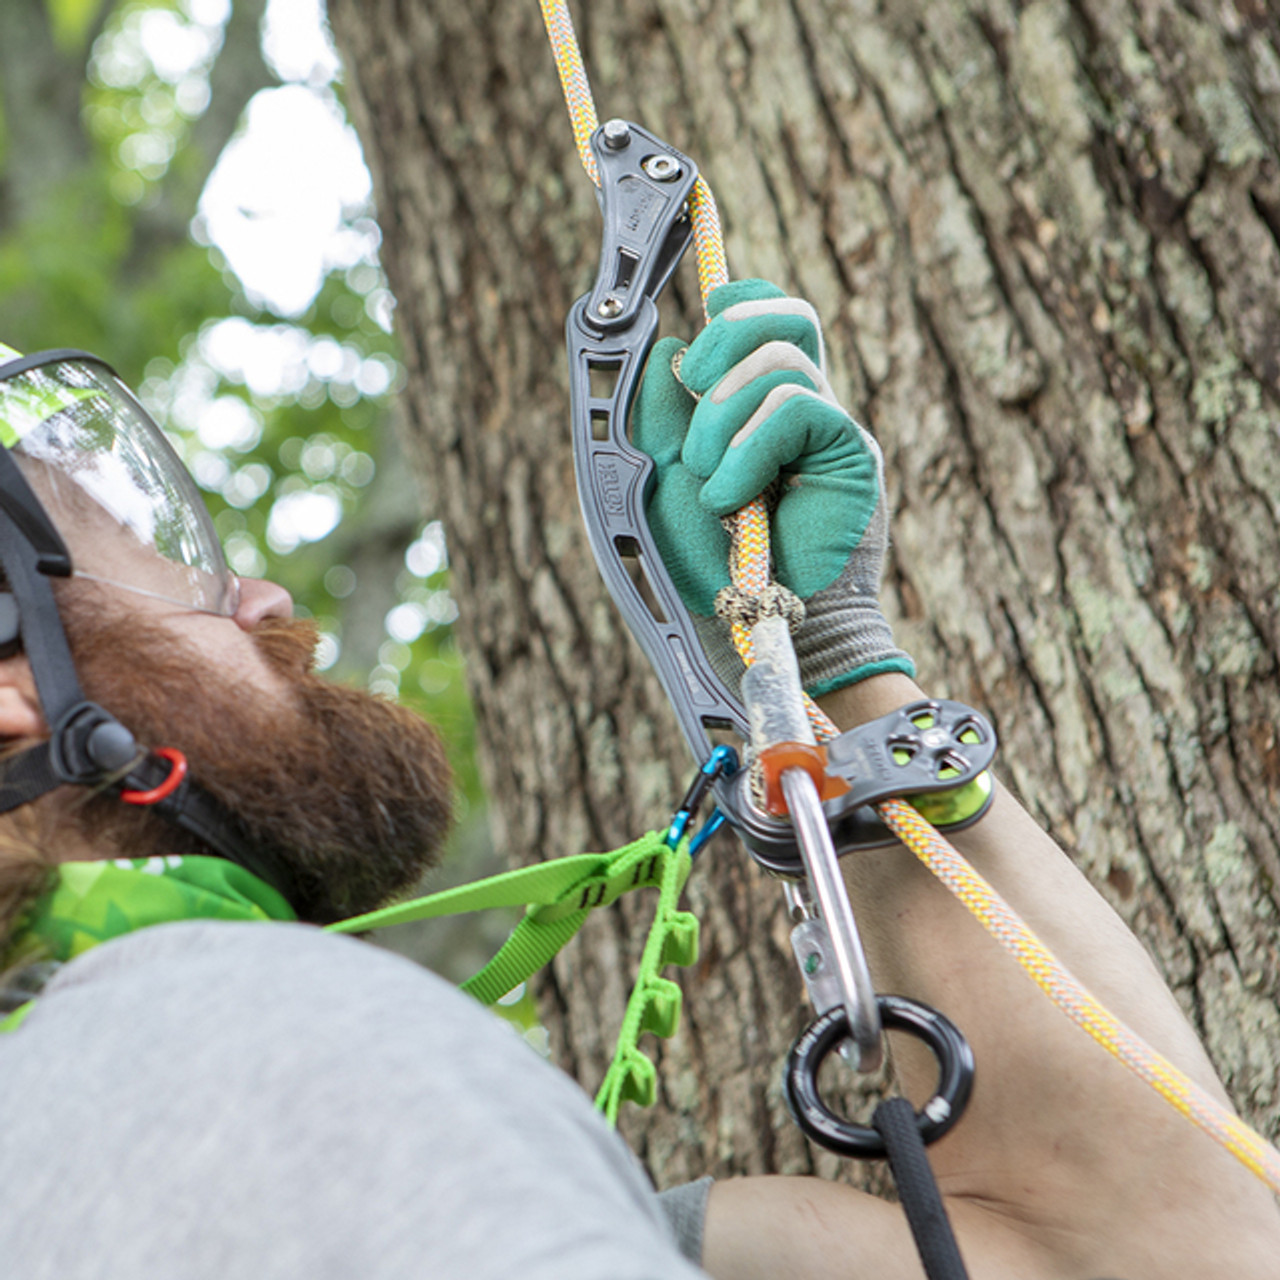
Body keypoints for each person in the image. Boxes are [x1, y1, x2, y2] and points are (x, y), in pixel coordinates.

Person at [0, 298, 1273, 1280]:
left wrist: (818, 680)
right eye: (160, 567)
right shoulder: (240, 1044)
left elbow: (1141, 1252)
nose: (265, 602)